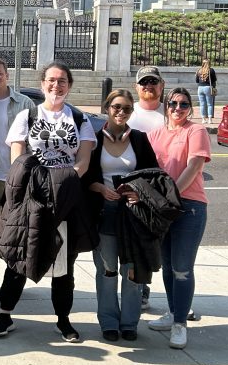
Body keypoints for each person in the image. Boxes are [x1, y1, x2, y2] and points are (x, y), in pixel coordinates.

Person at [0, 62, 97, 343]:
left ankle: (63, 320)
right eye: (51, 80)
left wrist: (61, 182)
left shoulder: (79, 119)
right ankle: (4, 315)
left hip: (65, 200)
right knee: (19, 257)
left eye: (62, 81)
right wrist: (41, 184)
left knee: (63, 263)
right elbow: (17, 159)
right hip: (31, 199)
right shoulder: (27, 116)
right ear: (42, 84)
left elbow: (83, 161)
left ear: (69, 85)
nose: (56, 86)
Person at [85, 89, 159, 343]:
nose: (121, 112)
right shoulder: (94, 139)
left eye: (127, 108)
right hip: (105, 212)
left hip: (133, 215)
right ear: (107, 107)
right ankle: (108, 322)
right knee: (106, 270)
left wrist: (140, 193)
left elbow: (153, 174)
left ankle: (129, 323)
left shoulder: (139, 139)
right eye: (116, 107)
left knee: (131, 270)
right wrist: (100, 189)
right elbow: (85, 177)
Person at [147, 87, 211, 350]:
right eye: (173, 103)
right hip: (162, 208)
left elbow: (194, 165)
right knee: (168, 264)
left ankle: (180, 324)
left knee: (182, 268)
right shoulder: (155, 134)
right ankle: (173, 313)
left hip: (189, 206)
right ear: (166, 106)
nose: (177, 108)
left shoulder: (196, 131)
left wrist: (171, 196)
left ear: (190, 108)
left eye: (184, 104)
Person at [0, 58, 34, 296]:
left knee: (18, 228)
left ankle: (15, 275)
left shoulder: (24, 103)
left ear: (7, 75)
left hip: (19, 176)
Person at [127, 65, 165, 310]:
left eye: (153, 82)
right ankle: (140, 289)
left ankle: (173, 298)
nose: (148, 86)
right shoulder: (129, 114)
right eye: (144, 82)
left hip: (163, 189)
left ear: (161, 86)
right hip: (135, 187)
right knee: (137, 242)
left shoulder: (171, 112)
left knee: (160, 245)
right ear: (137, 87)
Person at [194, 59, 218, 124]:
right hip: (208, 88)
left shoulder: (199, 70)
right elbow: (214, 80)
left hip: (200, 88)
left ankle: (203, 119)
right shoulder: (211, 70)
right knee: (210, 104)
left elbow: (196, 81)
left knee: (202, 104)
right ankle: (210, 119)